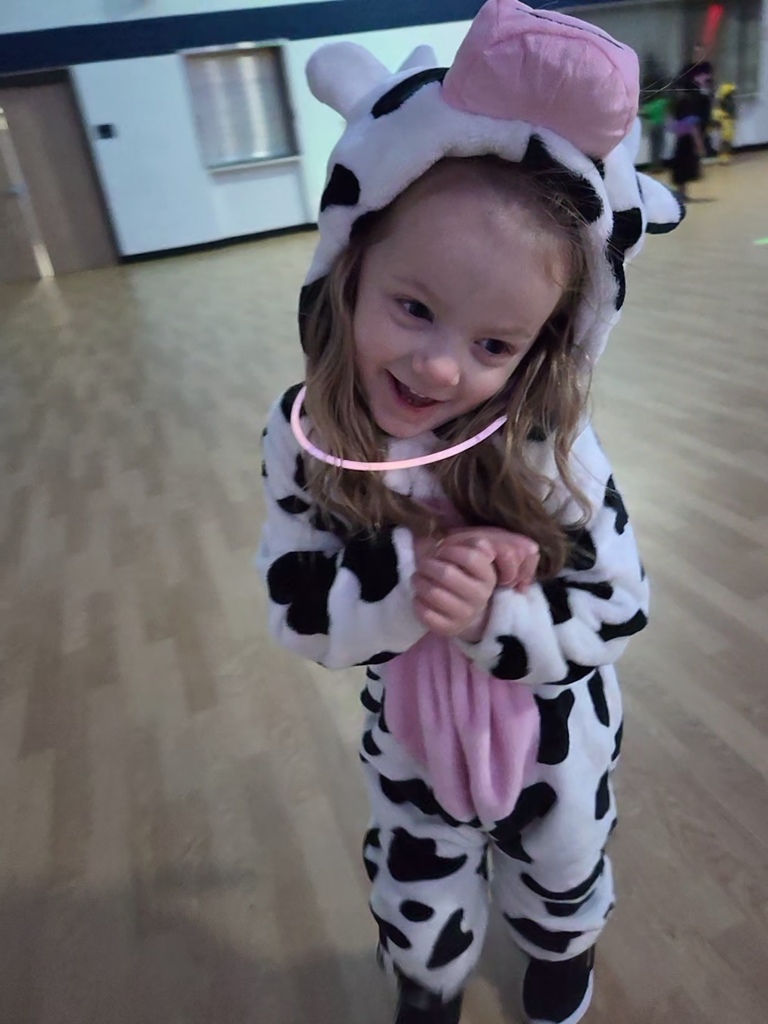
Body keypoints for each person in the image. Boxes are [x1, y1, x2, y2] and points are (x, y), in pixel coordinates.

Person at [258, 2, 685, 1022]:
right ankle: (428, 978)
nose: (442, 365)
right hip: (408, 734)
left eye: (496, 344)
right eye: (413, 307)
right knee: (416, 868)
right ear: (349, 265)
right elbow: (299, 609)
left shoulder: (552, 449)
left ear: (543, 345)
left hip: (555, 732)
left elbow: (618, 608)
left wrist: (501, 622)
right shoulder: (307, 432)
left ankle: (558, 959)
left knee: (562, 859)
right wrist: (413, 585)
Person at [669, 68, 707, 200]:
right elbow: (691, 125)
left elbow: (680, 123)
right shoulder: (685, 102)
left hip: (682, 138)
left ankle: (682, 192)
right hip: (686, 139)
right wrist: (699, 143)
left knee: (681, 166)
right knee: (685, 165)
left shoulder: (678, 102)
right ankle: (682, 192)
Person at [712, 82, 737, 163]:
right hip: (725, 121)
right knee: (725, 140)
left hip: (730, 121)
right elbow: (717, 112)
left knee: (728, 139)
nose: (733, 93)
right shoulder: (722, 101)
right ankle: (722, 156)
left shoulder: (730, 100)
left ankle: (726, 155)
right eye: (731, 92)